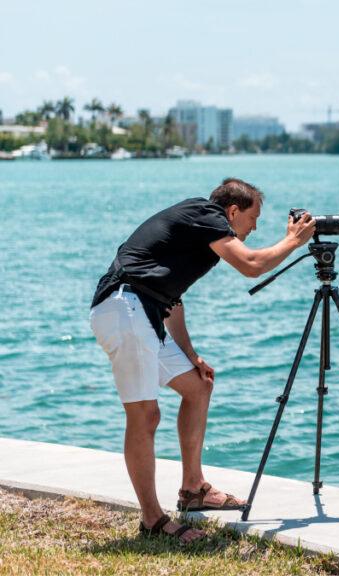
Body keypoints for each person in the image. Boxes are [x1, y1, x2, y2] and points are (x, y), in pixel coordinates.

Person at [89, 178, 316, 544]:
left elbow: (172, 299)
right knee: (145, 415)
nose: (254, 227)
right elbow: (253, 265)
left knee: (198, 386)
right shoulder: (207, 215)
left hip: (143, 310)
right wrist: (294, 240)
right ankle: (152, 520)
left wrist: (190, 354)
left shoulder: (198, 231)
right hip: (124, 308)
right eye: (253, 218)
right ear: (232, 211)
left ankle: (193, 489)